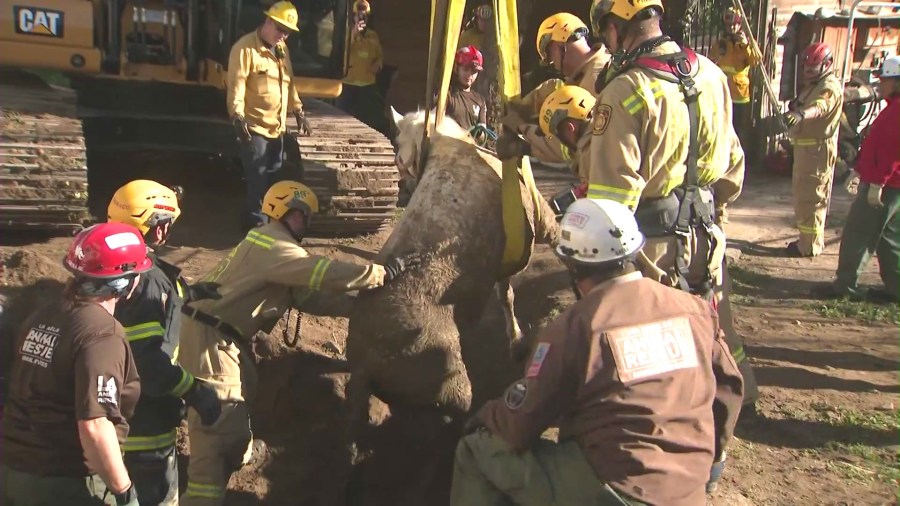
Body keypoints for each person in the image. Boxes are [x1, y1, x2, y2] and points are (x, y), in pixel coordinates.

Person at [450, 198, 745, 505]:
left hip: (618, 491)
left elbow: (522, 422)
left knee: (476, 452)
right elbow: (729, 389)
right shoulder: (694, 309)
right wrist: (712, 460)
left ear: (573, 266)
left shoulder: (578, 327)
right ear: (633, 252)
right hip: (687, 490)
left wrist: (486, 416)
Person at [177, 181, 420, 505]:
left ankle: (239, 449)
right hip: (210, 338)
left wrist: (362, 307)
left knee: (243, 390)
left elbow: (307, 296)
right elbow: (319, 271)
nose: (307, 222)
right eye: (303, 214)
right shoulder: (275, 247)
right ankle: (204, 492)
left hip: (220, 335)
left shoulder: (270, 246)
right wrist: (378, 274)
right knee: (217, 423)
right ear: (284, 211)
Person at [583, 0, 759, 409]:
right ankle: (734, 401)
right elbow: (733, 165)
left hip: (653, 249)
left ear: (615, 27)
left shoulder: (625, 90)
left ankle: (670, 435)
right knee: (715, 332)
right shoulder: (712, 75)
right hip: (707, 239)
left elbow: (613, 201)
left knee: (651, 359)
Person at [0, 223, 151, 506]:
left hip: (13, 472)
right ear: (127, 282)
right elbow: (95, 425)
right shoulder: (102, 334)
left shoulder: (44, 314)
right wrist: (125, 493)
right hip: (64, 484)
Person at [107, 180, 224, 506]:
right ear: (157, 228)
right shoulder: (150, 280)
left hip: (105, 421)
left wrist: (189, 292)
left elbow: (146, 302)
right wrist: (194, 390)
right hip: (144, 429)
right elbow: (148, 362)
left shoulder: (106, 264)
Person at [814, 55, 900, 303]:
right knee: (890, 237)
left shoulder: (896, 112)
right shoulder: (893, 108)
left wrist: (877, 182)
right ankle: (896, 288)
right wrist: (860, 170)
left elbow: (891, 150)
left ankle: (845, 286)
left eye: (884, 80)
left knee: (858, 234)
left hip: (886, 185)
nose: (879, 84)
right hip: (890, 184)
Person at [227, 1, 313, 232]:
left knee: (274, 176)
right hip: (255, 127)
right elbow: (236, 86)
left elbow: (289, 83)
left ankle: (264, 222)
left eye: (287, 32)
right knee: (258, 181)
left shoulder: (283, 50)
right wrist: (237, 116)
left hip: (277, 128)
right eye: (279, 29)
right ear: (267, 21)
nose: (283, 36)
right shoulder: (245, 49)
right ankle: (255, 229)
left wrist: (298, 110)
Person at [497, 12, 610, 166]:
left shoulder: (594, 80)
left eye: (551, 58)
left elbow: (575, 142)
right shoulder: (590, 72)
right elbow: (557, 89)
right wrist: (522, 107)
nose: (555, 66)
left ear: (559, 47)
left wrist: (526, 142)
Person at [781, 41, 844, 257]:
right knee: (803, 197)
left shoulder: (828, 87)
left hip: (817, 153)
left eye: (812, 68)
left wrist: (801, 115)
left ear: (826, 64)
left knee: (813, 198)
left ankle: (809, 246)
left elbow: (820, 107)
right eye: (806, 68)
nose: (807, 72)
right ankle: (805, 241)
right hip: (806, 152)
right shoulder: (815, 83)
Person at [712, 8, 759, 158]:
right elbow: (711, 61)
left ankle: (739, 157)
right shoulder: (721, 43)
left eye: (734, 25)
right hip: (722, 93)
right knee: (722, 126)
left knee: (739, 130)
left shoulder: (747, 43)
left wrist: (745, 45)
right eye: (728, 25)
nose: (731, 28)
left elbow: (756, 61)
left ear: (740, 25)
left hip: (740, 95)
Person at [338, 0, 388, 135]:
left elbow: (379, 55)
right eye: (359, 15)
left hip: (367, 84)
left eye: (364, 16)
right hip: (348, 83)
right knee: (344, 117)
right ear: (352, 16)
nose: (362, 18)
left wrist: (379, 64)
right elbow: (341, 51)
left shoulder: (373, 35)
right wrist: (354, 32)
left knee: (366, 118)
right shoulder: (346, 33)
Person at [446, 45, 492, 142]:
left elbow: (483, 135)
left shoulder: (480, 100)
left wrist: (479, 132)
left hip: (471, 150)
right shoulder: (446, 95)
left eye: (474, 72)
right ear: (456, 69)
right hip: (448, 148)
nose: (469, 75)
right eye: (466, 69)